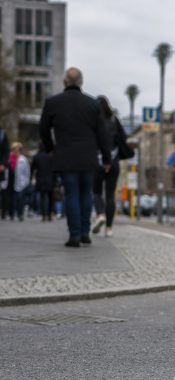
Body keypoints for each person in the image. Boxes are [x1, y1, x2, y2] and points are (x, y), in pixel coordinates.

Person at [39, 67, 111, 247]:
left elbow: (43, 130)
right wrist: (107, 158)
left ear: (65, 81)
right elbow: (102, 134)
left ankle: (75, 235)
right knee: (86, 193)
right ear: (81, 82)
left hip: (65, 156)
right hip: (88, 157)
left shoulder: (53, 103)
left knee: (71, 193)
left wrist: (50, 149)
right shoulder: (93, 104)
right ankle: (85, 232)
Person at [90, 96, 128, 238]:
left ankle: (100, 214)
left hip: (97, 161)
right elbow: (124, 138)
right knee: (110, 194)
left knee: (97, 192)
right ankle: (109, 228)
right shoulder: (114, 120)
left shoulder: (94, 121)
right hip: (114, 162)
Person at [32, 149, 56, 222]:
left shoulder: (36, 156)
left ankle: (43, 215)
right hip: (51, 179)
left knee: (42, 198)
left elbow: (33, 168)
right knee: (51, 198)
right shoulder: (52, 156)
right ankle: (50, 214)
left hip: (41, 179)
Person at [10, 142, 31, 221]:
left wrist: (26, 182)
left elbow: (27, 172)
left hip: (22, 183)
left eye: (15, 149)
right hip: (13, 182)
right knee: (15, 199)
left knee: (20, 199)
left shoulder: (23, 159)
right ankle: (15, 213)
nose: (14, 151)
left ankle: (20, 214)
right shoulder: (12, 159)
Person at [0, 127, 9, 219]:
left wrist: (3, 164)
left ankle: (3, 212)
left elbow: (6, 150)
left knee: (3, 191)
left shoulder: (2, 134)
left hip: (1, 168)